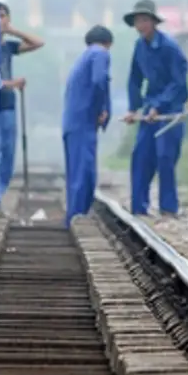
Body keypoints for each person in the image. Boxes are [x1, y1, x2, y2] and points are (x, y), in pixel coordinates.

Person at [123, 0, 188, 217]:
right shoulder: (139, 46)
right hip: (150, 108)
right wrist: (134, 108)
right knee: (141, 155)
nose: (140, 25)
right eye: (137, 21)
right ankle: (139, 207)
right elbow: (134, 78)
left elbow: (178, 82)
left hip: (170, 111)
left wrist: (159, 107)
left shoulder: (170, 48)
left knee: (165, 158)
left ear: (153, 22)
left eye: (144, 20)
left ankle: (168, 209)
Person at [0, 3, 43, 216]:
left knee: (8, 154)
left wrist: (12, 30)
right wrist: (12, 83)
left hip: (8, 105)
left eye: (3, 16)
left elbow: (38, 42)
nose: (0, 20)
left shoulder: (8, 47)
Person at [62, 25, 113, 226]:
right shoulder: (100, 53)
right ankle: (77, 218)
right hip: (84, 122)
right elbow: (99, 80)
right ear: (108, 43)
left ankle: (74, 217)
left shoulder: (84, 57)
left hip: (73, 122)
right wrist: (101, 109)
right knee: (84, 172)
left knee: (76, 171)